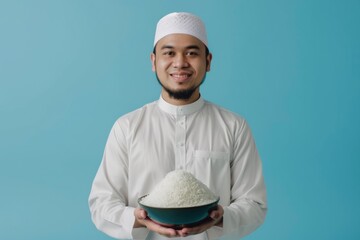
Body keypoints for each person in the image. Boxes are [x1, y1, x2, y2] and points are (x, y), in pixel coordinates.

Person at [89, 12, 267, 240]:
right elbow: (101, 203)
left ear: (208, 61)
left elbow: (254, 204)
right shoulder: (127, 127)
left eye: (192, 53)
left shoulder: (234, 126)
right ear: (154, 61)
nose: (180, 63)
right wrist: (138, 218)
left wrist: (221, 217)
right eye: (169, 53)